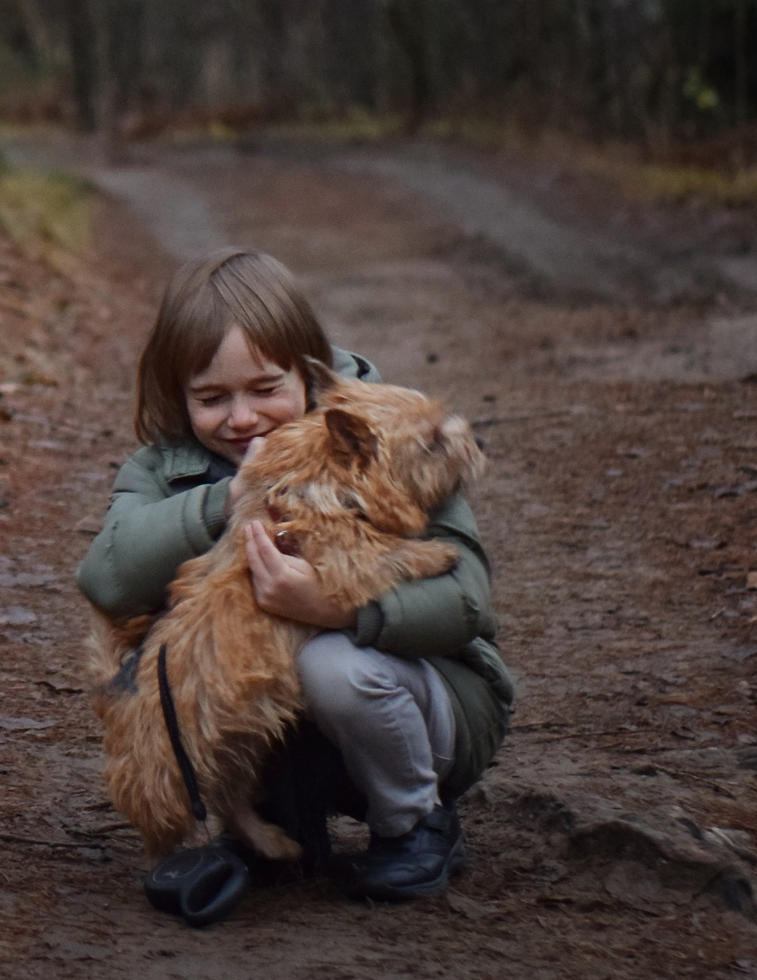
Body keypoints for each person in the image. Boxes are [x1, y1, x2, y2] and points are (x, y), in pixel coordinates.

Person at [76, 248, 515, 902]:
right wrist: (227, 498)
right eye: (211, 398)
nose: (242, 418)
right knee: (188, 647)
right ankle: (273, 815)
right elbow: (107, 579)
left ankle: (415, 824)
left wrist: (336, 609)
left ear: (308, 373)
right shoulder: (164, 468)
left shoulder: (392, 436)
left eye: (264, 388)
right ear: (178, 395)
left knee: (331, 663)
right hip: (281, 733)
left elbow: (465, 597)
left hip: (428, 703)